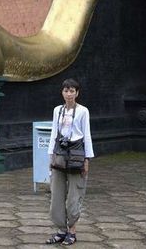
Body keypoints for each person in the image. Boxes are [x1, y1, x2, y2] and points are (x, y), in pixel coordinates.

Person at [46, 78, 94, 245]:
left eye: (72, 91)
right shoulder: (57, 110)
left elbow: (87, 135)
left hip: (76, 155)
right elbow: (54, 132)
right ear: (62, 92)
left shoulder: (83, 111)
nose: (69, 94)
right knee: (56, 194)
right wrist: (50, 155)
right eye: (66, 90)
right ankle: (61, 230)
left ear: (77, 93)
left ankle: (72, 231)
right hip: (60, 154)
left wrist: (87, 159)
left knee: (74, 195)